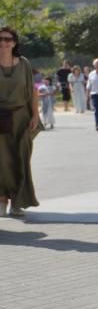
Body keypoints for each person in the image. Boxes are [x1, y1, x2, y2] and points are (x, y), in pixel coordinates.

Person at [0, 26, 40, 217]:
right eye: (0, 39)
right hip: (0, 118)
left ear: (14, 43)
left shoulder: (23, 64)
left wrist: (35, 115)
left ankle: (18, 200)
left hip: (21, 117)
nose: (3, 43)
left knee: (21, 158)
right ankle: (1, 199)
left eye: (7, 39)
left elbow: (32, 91)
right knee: (2, 160)